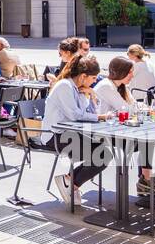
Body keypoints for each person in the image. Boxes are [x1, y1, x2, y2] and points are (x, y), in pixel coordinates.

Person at [42, 55, 112, 205]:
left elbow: (84, 112)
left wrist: (90, 94)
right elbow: (75, 115)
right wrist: (100, 117)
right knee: (102, 155)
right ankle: (71, 184)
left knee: (104, 153)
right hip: (54, 136)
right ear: (83, 76)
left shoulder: (75, 88)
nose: (95, 81)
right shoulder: (64, 86)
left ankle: (69, 182)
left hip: (68, 133)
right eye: (93, 78)